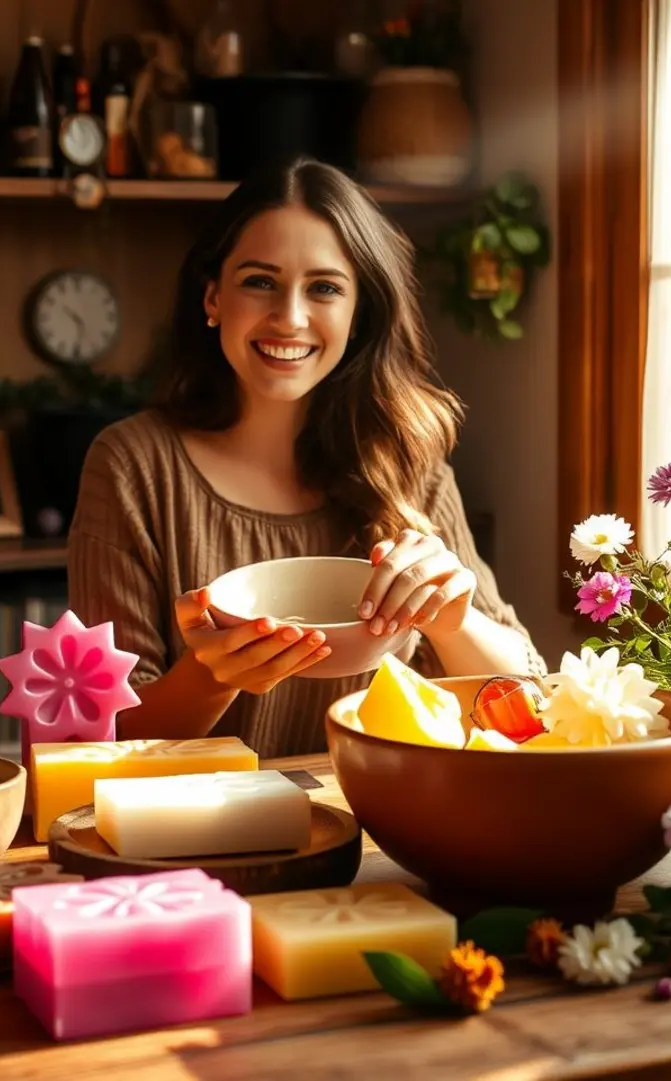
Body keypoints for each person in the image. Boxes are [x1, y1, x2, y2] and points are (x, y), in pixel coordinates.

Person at [68, 157, 544, 758]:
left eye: (325, 288)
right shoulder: (132, 466)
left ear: (358, 312)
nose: (289, 318)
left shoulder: (409, 462)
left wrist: (456, 623)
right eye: (259, 281)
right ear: (212, 297)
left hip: (374, 814)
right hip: (196, 818)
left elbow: (531, 703)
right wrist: (211, 675)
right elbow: (99, 739)